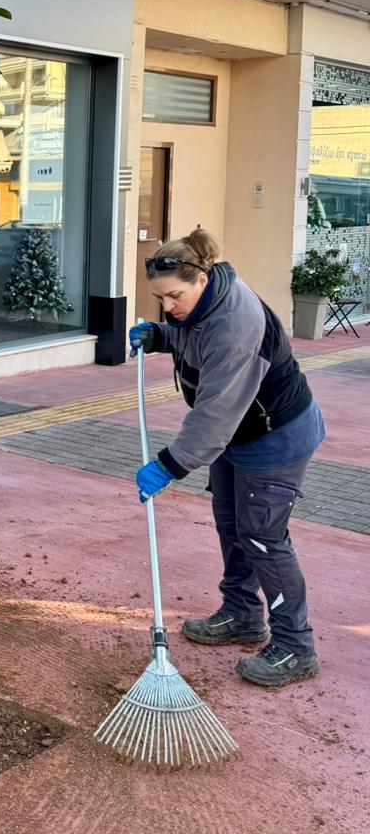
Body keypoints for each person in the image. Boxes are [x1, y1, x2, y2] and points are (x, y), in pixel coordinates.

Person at [129, 228, 325, 688]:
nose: (168, 307)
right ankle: (242, 614)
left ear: (200, 279)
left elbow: (216, 411)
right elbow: (193, 336)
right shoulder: (202, 303)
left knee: (263, 537)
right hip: (237, 436)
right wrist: (161, 336)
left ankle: (296, 647)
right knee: (233, 525)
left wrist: (170, 464)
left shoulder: (236, 324)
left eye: (174, 297)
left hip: (274, 437)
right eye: (160, 299)